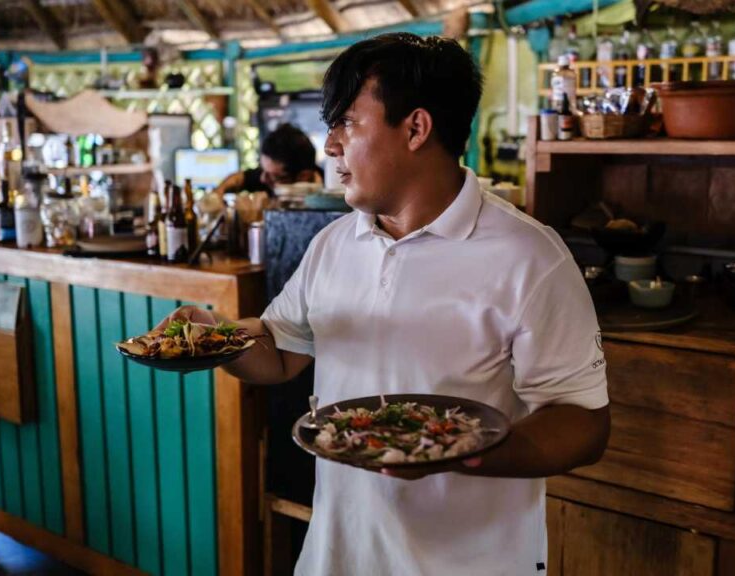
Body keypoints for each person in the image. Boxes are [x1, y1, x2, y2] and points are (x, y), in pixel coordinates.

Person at [159, 33, 610, 575]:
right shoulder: (334, 243)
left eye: (347, 122)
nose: (330, 145)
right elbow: (278, 353)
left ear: (416, 128)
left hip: (466, 563)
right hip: (337, 554)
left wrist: (458, 451)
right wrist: (213, 337)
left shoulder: (530, 257)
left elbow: (583, 423)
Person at [213, 123, 323, 196]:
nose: (263, 179)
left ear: (304, 177)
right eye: (263, 169)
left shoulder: (327, 191)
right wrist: (217, 195)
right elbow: (240, 178)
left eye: (275, 176)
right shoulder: (267, 176)